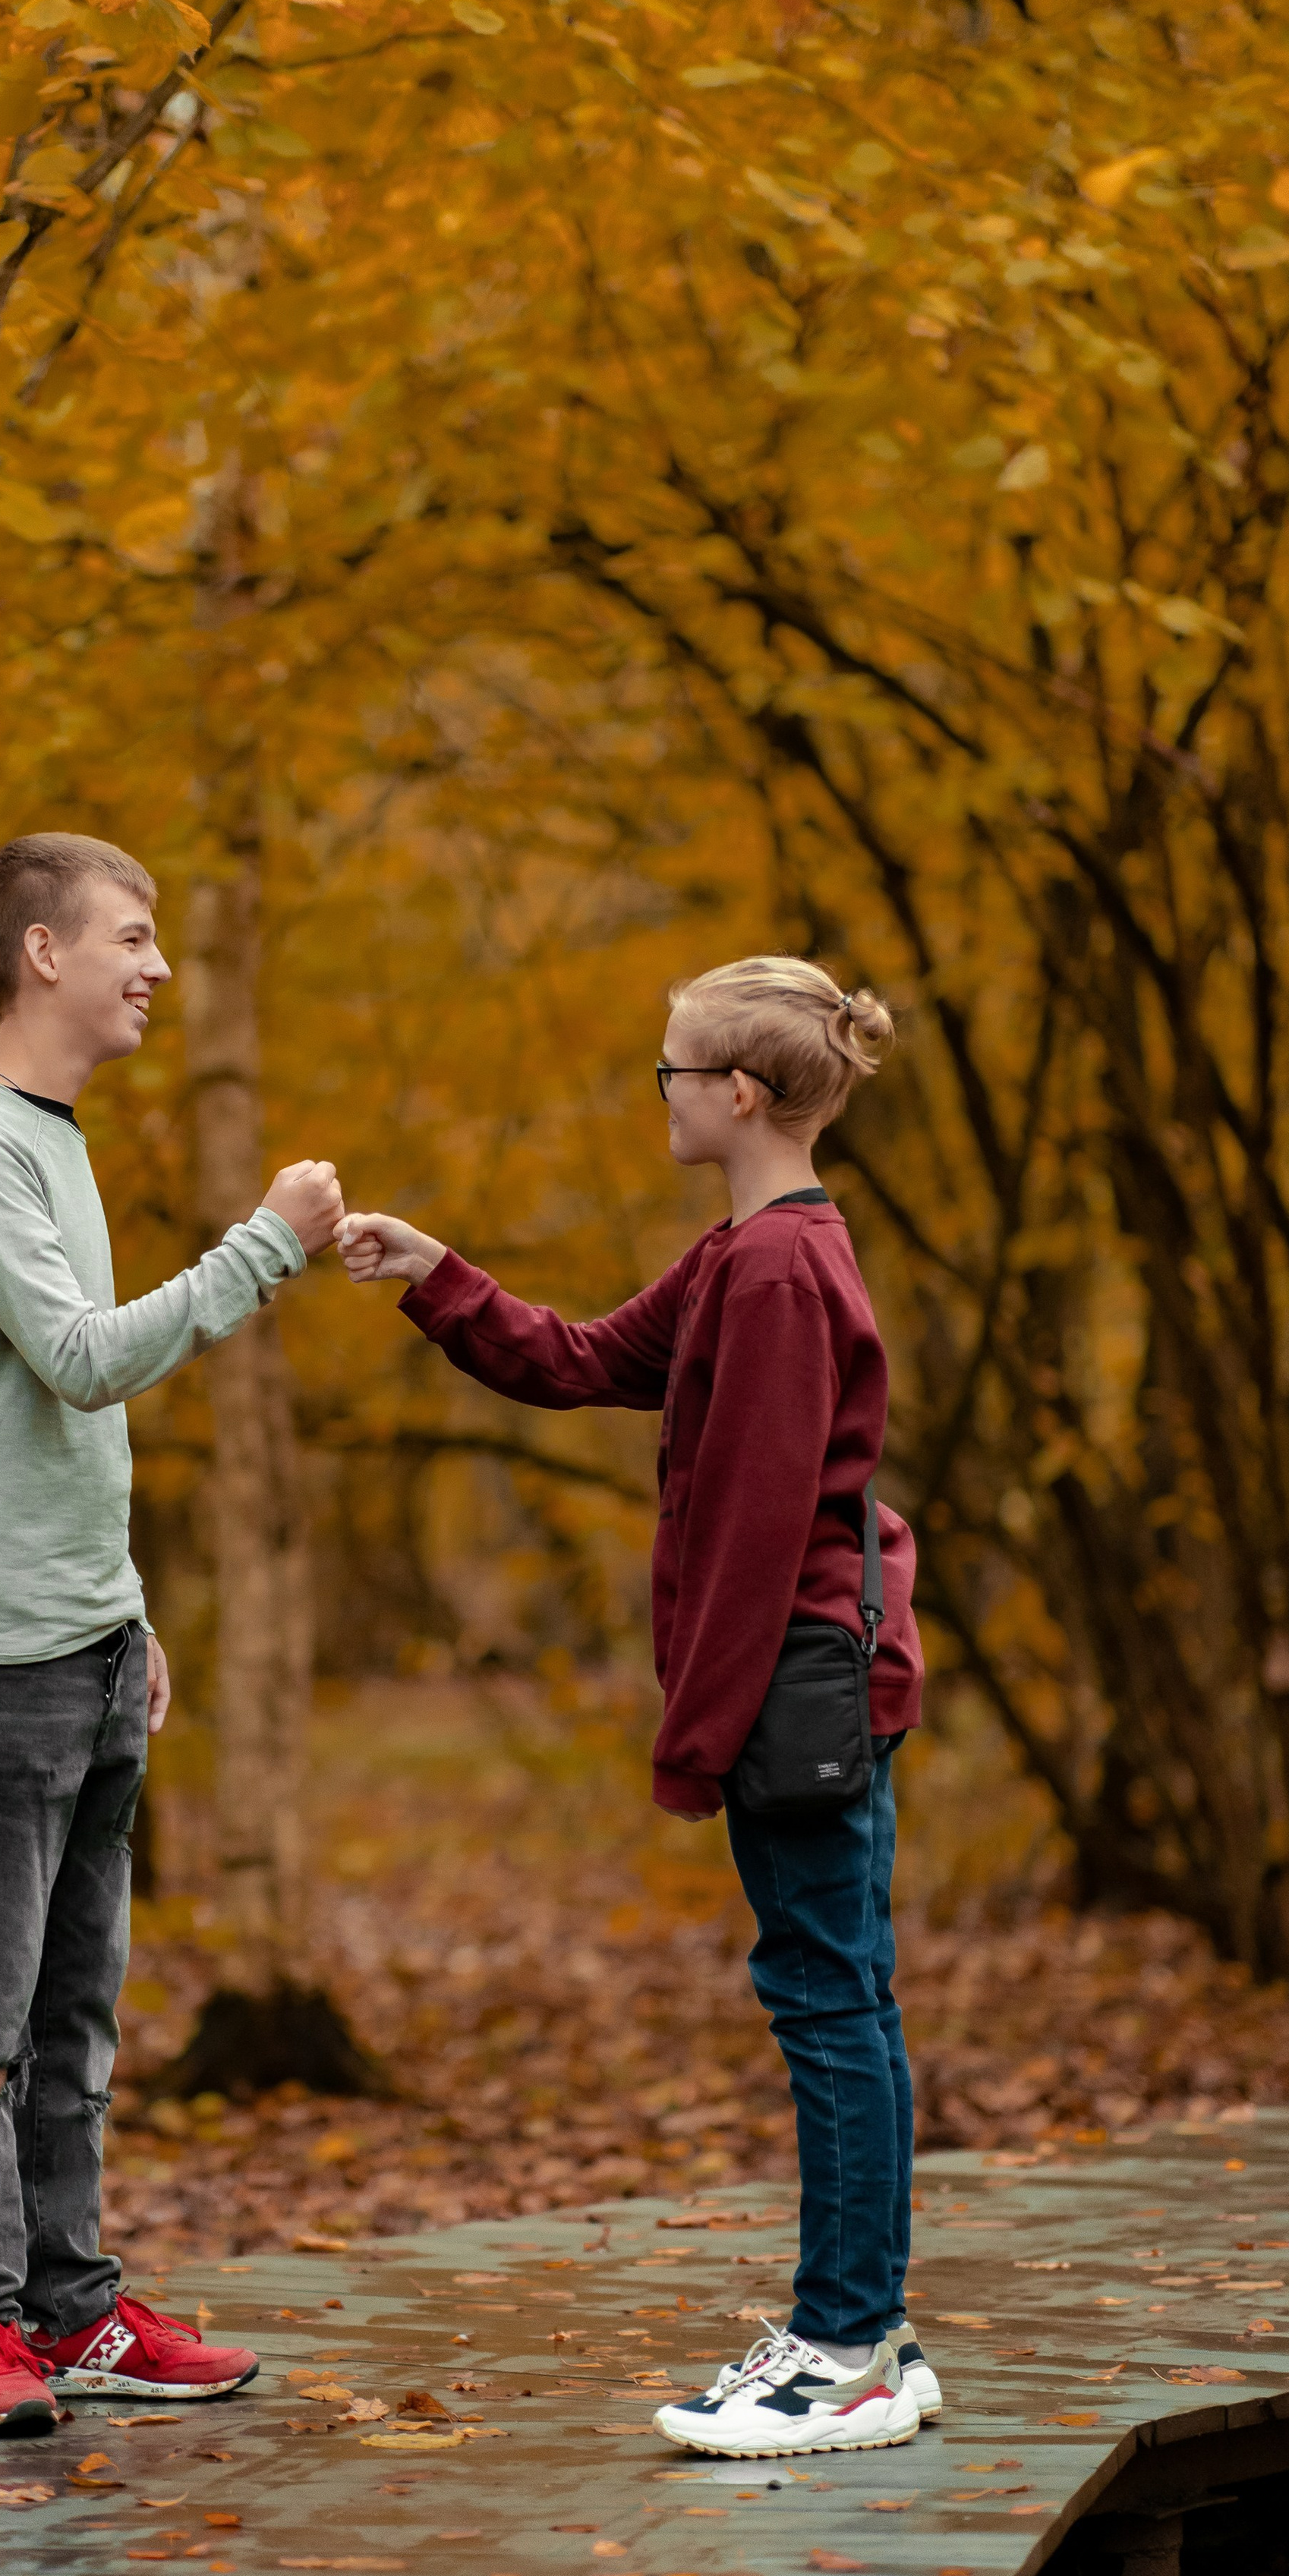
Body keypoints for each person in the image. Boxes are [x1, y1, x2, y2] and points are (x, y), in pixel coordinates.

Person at [337, 955, 931, 2460]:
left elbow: (747, 1526)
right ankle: (849, 2325)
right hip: (784, 1681)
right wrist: (433, 1272)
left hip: (796, 1689)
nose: (656, 1092)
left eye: (668, 1070)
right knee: (825, 1993)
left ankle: (851, 2344)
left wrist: (693, 1740)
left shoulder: (784, 1273)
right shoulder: (742, 1253)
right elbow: (585, 1358)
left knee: (830, 2004)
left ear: (735, 1092)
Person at [0, 832, 344, 2436]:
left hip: (82, 1642)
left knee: (77, 2015)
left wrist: (128, 1605)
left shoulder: (52, 1140)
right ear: (41, 951)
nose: (154, 966)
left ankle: (72, 2309)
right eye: (130, 937)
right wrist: (263, 1244)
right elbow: (82, 1360)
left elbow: (58, 1435)